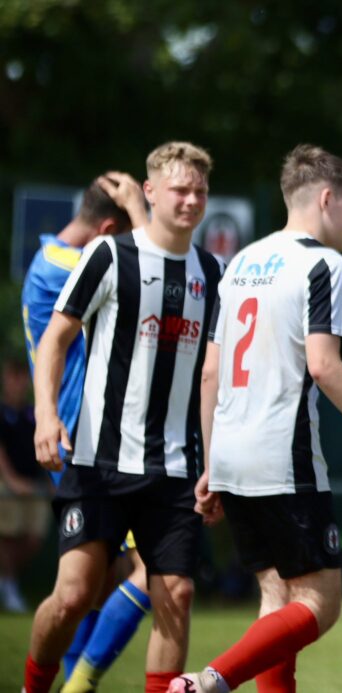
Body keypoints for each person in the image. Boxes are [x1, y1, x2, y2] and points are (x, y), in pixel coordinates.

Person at [170, 144, 342, 693]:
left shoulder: (237, 265)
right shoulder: (325, 263)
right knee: (320, 605)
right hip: (284, 455)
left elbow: (210, 373)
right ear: (327, 198)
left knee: (276, 600)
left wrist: (211, 464)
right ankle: (211, 680)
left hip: (231, 455)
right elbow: (325, 368)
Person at [23, 142, 222, 693]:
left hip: (176, 468)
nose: (191, 200)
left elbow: (212, 376)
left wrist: (216, 461)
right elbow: (54, 341)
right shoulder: (109, 256)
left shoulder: (213, 272)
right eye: (180, 189)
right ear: (150, 192)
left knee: (176, 594)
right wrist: (45, 415)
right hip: (98, 459)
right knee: (74, 596)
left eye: (200, 191)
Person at [21, 171, 155, 691]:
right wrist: (143, 218)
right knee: (150, 569)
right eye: (118, 238)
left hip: (89, 441)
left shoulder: (49, 258)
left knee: (92, 587)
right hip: (85, 443)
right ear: (106, 231)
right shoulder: (64, 266)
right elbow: (145, 272)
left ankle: (68, 681)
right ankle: (78, 683)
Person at [0, 359, 49, 613]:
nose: (17, 384)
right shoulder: (1, 412)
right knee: (7, 537)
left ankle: (7, 581)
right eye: (13, 377)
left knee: (33, 539)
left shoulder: (32, 413)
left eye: (21, 378)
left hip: (33, 486)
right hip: (7, 486)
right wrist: (11, 481)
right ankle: (9, 588)